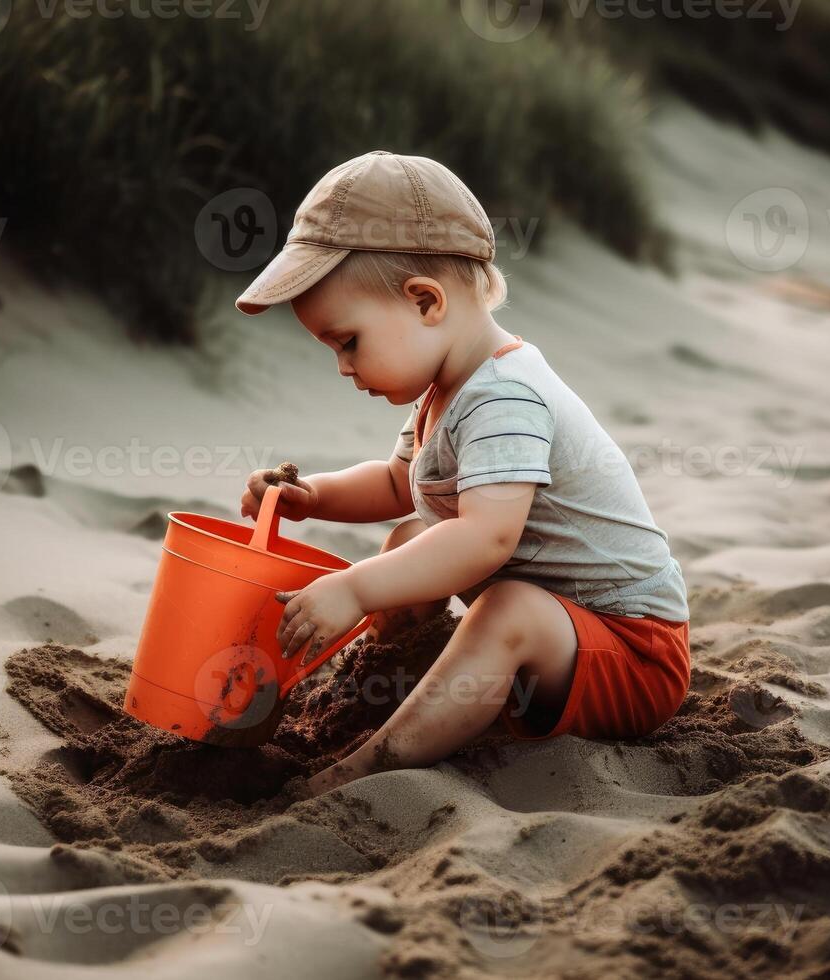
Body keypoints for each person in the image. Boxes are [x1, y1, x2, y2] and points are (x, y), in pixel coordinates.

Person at [235, 150, 690, 797]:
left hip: (630, 652)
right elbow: (399, 484)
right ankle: (380, 698)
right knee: (410, 537)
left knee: (506, 605)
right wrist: (314, 497)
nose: (343, 366)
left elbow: (487, 539)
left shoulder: (505, 396)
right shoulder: (445, 388)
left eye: (349, 341)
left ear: (426, 302)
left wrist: (357, 590)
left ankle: (378, 761)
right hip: (559, 638)